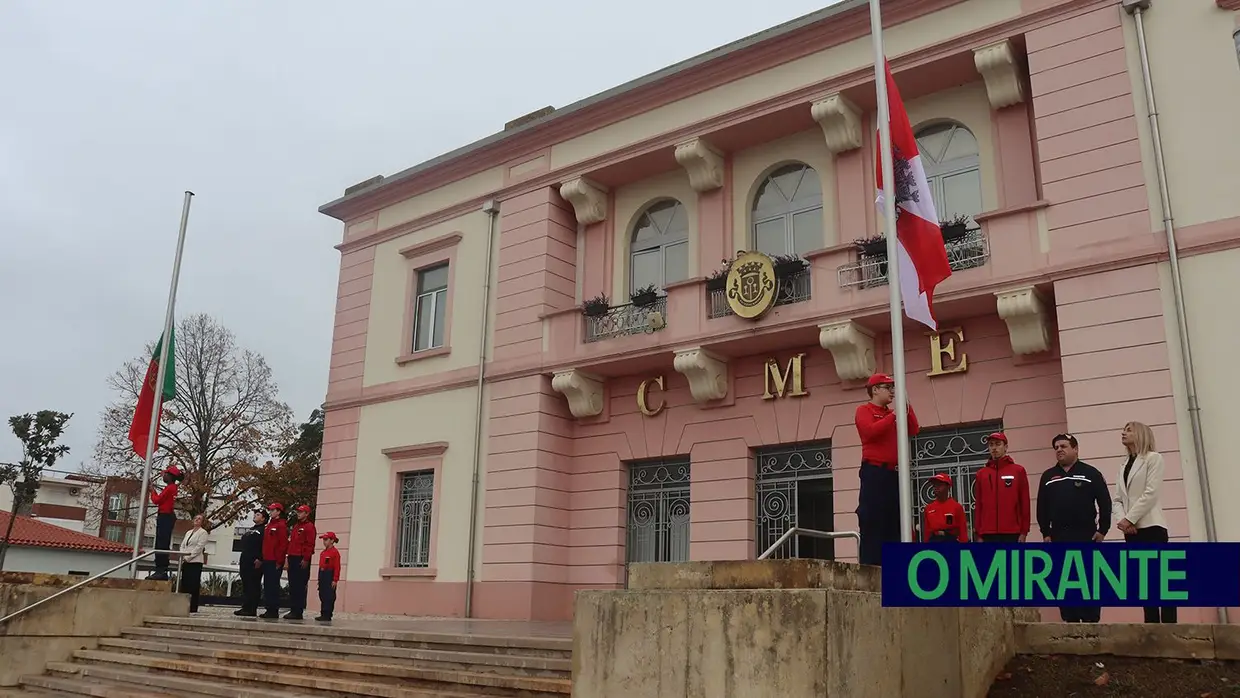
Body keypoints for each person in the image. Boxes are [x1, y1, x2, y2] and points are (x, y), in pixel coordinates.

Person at [1036, 433, 1111, 623]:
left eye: (1064, 446)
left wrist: (1103, 529)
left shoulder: (1091, 473)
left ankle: (1091, 626)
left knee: (1088, 582)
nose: (1059, 450)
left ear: (1075, 449)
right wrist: (1046, 533)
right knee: (1064, 583)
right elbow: (1041, 507)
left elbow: (1105, 503)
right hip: (1059, 537)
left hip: (1087, 537)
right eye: (1056, 447)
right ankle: (1070, 626)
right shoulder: (1048, 476)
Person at [1114, 421, 1176, 624]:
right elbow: (1117, 499)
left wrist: (1129, 518)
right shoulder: (1124, 464)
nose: (1123, 433)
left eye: (1129, 430)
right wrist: (1122, 521)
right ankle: (1151, 627)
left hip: (1152, 527)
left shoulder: (1153, 459)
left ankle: (1169, 629)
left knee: (1161, 582)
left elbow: (1151, 493)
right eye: (1123, 429)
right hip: (1132, 532)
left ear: (1140, 434)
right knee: (1144, 584)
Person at [855, 372, 919, 566]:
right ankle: (872, 565)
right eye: (888, 387)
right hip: (875, 472)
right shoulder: (864, 410)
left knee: (895, 520)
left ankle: (896, 565)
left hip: (894, 473)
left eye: (894, 388)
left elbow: (914, 428)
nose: (892, 392)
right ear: (875, 390)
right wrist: (893, 415)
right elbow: (870, 432)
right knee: (874, 519)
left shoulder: (892, 413)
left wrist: (906, 405)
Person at [973, 432, 1031, 543]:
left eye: (998, 444)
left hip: (1012, 532)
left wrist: (1024, 532)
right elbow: (979, 505)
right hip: (987, 533)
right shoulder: (981, 474)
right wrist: (978, 533)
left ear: (1006, 447)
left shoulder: (1018, 471)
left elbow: (1024, 502)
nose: (994, 448)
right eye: (991, 445)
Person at [146, 464, 184, 580]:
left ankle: (161, 569)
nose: (164, 476)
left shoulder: (170, 488)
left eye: (166, 474)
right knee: (161, 542)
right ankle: (160, 569)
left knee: (161, 543)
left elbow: (157, 500)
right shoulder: (172, 487)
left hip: (165, 516)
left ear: (171, 477)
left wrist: (152, 490)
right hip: (166, 516)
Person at [284, 504, 317, 620]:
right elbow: (291, 543)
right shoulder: (296, 526)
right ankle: (293, 609)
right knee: (292, 585)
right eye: (298, 511)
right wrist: (287, 558)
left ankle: (298, 611)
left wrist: (306, 558)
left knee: (299, 585)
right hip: (293, 557)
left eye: (301, 512)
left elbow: (310, 544)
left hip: (301, 558)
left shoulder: (309, 527)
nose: (298, 514)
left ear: (307, 514)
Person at [234, 509, 267, 617]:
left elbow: (265, 545)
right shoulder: (251, 529)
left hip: (255, 561)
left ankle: (251, 608)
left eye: (258, 515)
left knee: (253, 585)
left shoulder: (264, 530)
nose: (255, 516)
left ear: (263, 518)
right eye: (255, 514)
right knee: (246, 584)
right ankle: (245, 606)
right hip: (245, 559)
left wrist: (261, 559)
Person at [259, 503, 289, 620]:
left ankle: (273, 609)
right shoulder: (269, 525)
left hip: (274, 560)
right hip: (267, 558)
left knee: (273, 585)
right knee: (267, 585)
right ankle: (269, 608)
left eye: (273, 510)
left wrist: (279, 561)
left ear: (278, 512)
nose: (270, 512)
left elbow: (283, 544)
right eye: (270, 510)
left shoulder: (281, 525)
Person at [922, 474, 967, 543]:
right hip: (934, 542)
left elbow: (962, 530)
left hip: (950, 541)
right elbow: (926, 532)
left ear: (948, 486)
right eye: (934, 485)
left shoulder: (956, 507)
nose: (936, 487)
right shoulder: (928, 508)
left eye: (939, 485)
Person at [178, 515, 210, 614]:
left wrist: (189, 557)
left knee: (193, 585)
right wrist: (183, 555)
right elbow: (183, 545)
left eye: (199, 519)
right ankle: (183, 606)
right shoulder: (188, 532)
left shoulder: (203, 533)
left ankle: (192, 607)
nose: (196, 520)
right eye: (195, 518)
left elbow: (199, 547)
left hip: (195, 561)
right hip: (186, 560)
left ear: (202, 522)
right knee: (185, 584)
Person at [316, 531, 341, 623]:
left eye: (326, 539)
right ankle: (323, 613)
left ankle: (327, 614)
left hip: (329, 574)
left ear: (332, 540)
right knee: (322, 594)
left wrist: (335, 579)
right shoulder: (323, 552)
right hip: (323, 574)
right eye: (323, 539)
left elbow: (337, 567)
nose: (324, 541)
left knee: (329, 595)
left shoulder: (335, 553)